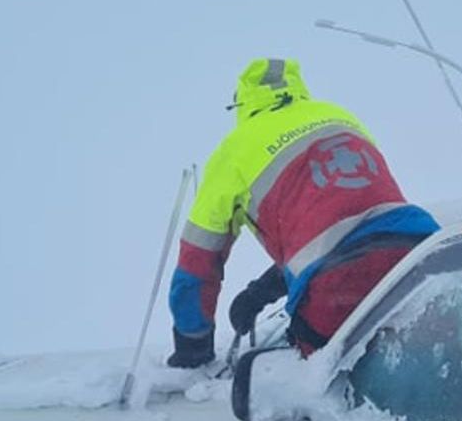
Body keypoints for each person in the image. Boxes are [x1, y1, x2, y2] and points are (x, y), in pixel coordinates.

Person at [166, 57, 439, 367]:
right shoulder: (338, 115)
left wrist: (192, 348)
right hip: (423, 258)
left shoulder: (235, 150)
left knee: (329, 391)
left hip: (337, 291)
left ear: (242, 103)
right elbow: (343, 222)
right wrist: (262, 291)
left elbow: (197, 261)